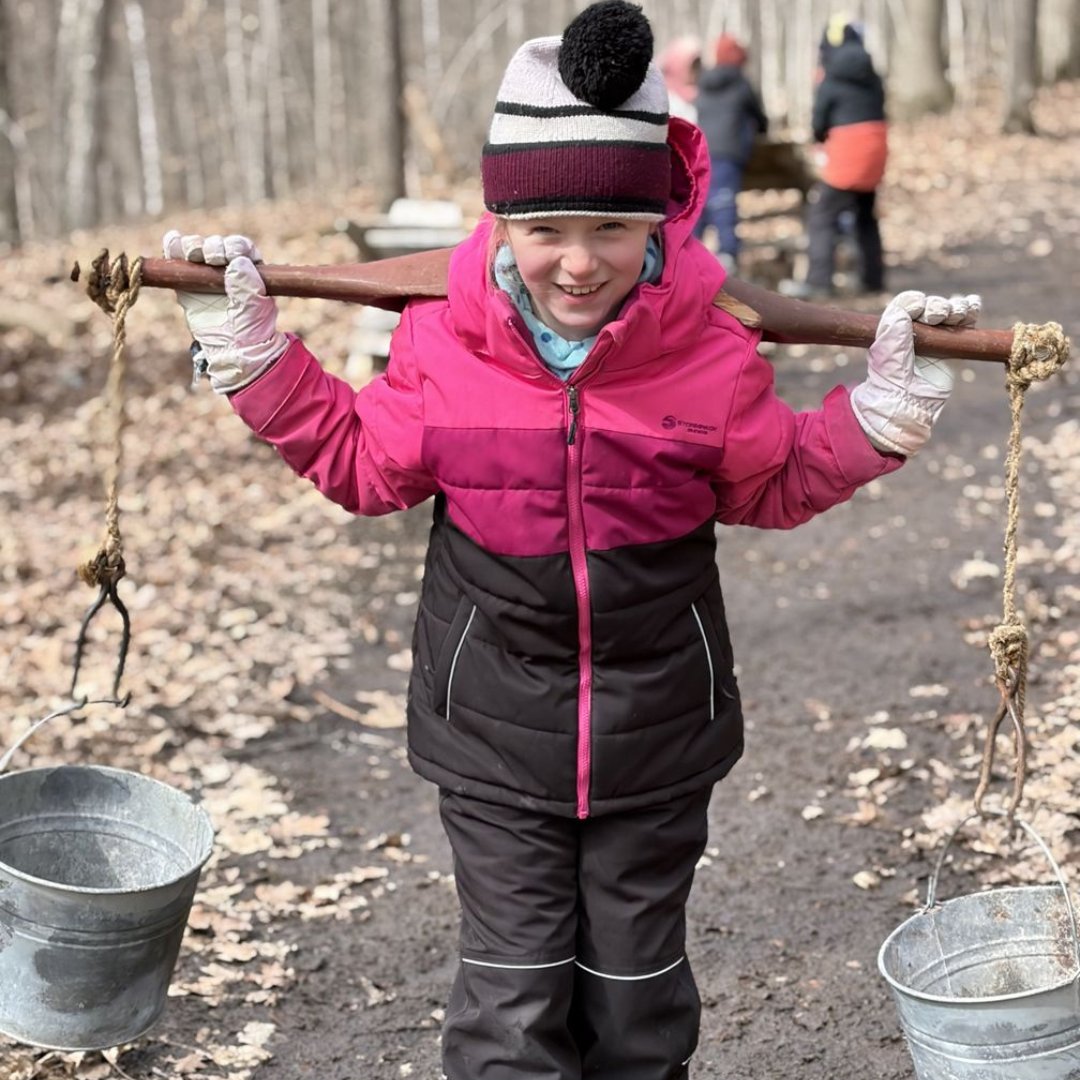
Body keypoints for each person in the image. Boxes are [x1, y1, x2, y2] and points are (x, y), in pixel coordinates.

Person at [163, 2, 977, 1077]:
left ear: (658, 224)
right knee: (510, 1000)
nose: (580, 262)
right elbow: (361, 463)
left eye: (610, 228)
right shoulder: (441, 349)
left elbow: (773, 481)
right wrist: (257, 357)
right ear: (501, 225)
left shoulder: (711, 353)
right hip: (492, 729)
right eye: (547, 229)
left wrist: (876, 420)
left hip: (658, 732)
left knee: (638, 998)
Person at [802, 15, 888, 297]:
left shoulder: (831, 74)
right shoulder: (871, 73)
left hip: (848, 152)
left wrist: (818, 139)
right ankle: (873, 280)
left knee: (822, 216)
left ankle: (819, 282)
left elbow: (820, 119)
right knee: (865, 215)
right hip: (876, 149)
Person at [693, 33, 769, 270]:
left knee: (702, 201)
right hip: (729, 150)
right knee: (724, 201)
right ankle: (727, 255)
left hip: (701, 150)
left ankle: (688, 253)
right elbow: (759, 117)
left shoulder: (704, 82)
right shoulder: (741, 83)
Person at [658, 34, 702, 124]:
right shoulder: (665, 102)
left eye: (697, 67)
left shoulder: (697, 96)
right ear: (678, 67)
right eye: (692, 67)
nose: (695, 73)